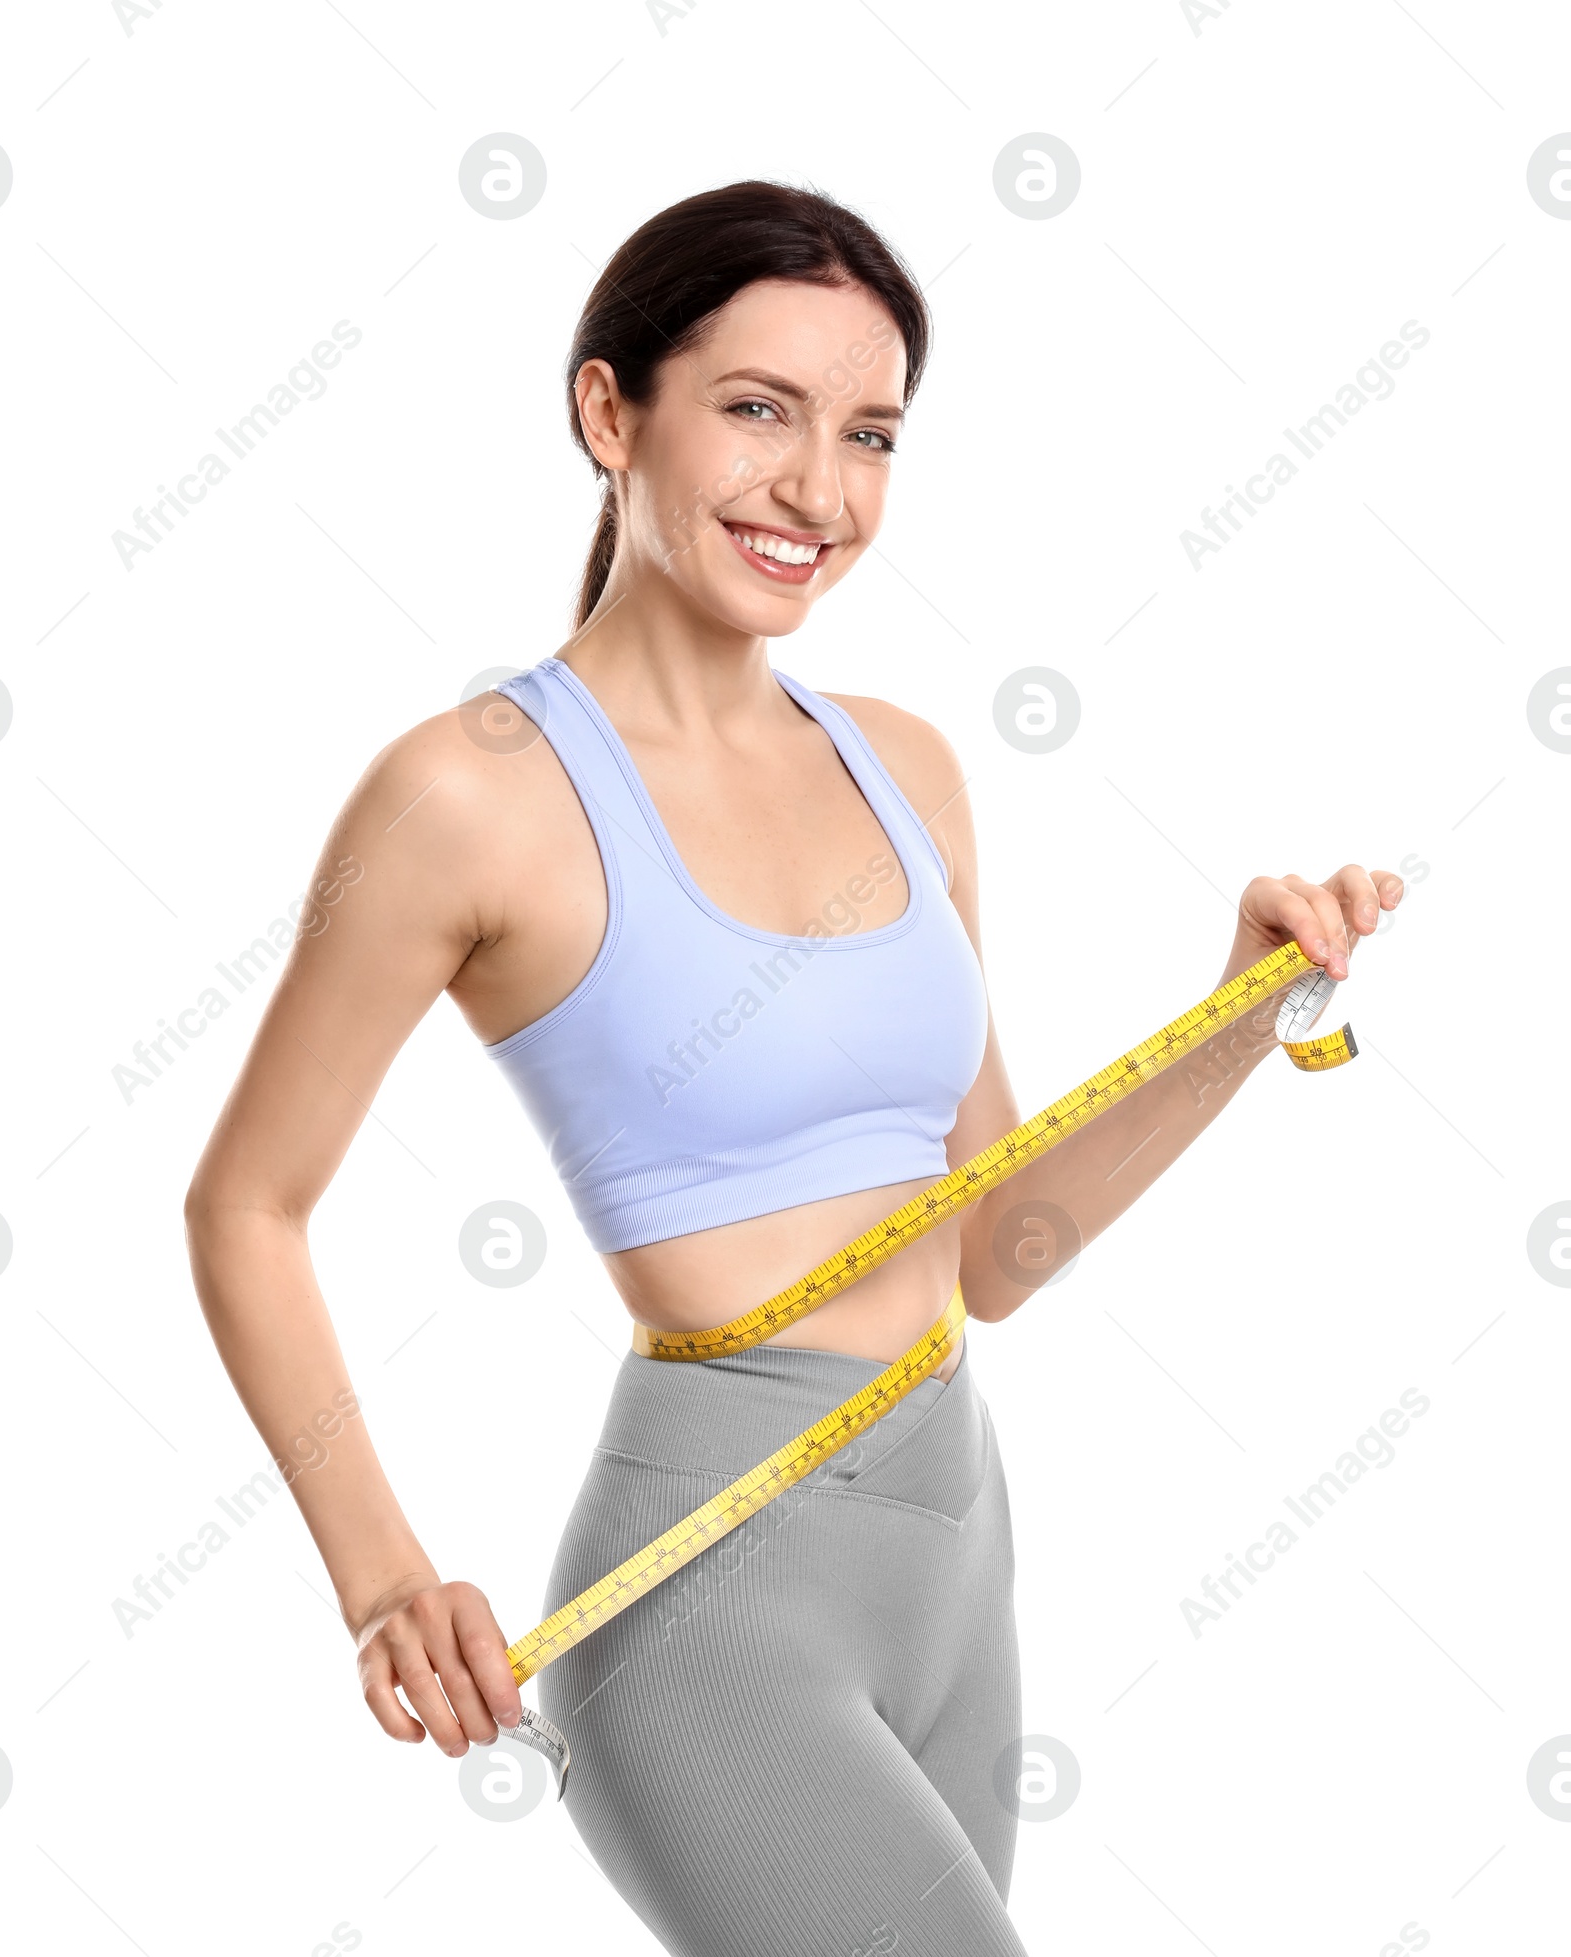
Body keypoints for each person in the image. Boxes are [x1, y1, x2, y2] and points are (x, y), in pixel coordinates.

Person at [183, 179, 1402, 1957]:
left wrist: (1240, 1011)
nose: (818, 491)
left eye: (870, 433)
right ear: (610, 412)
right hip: (711, 1587)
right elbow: (246, 1202)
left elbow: (997, 1248)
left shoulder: (905, 768)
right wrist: (382, 1578)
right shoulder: (470, 796)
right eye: (757, 408)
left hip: (959, 1543)